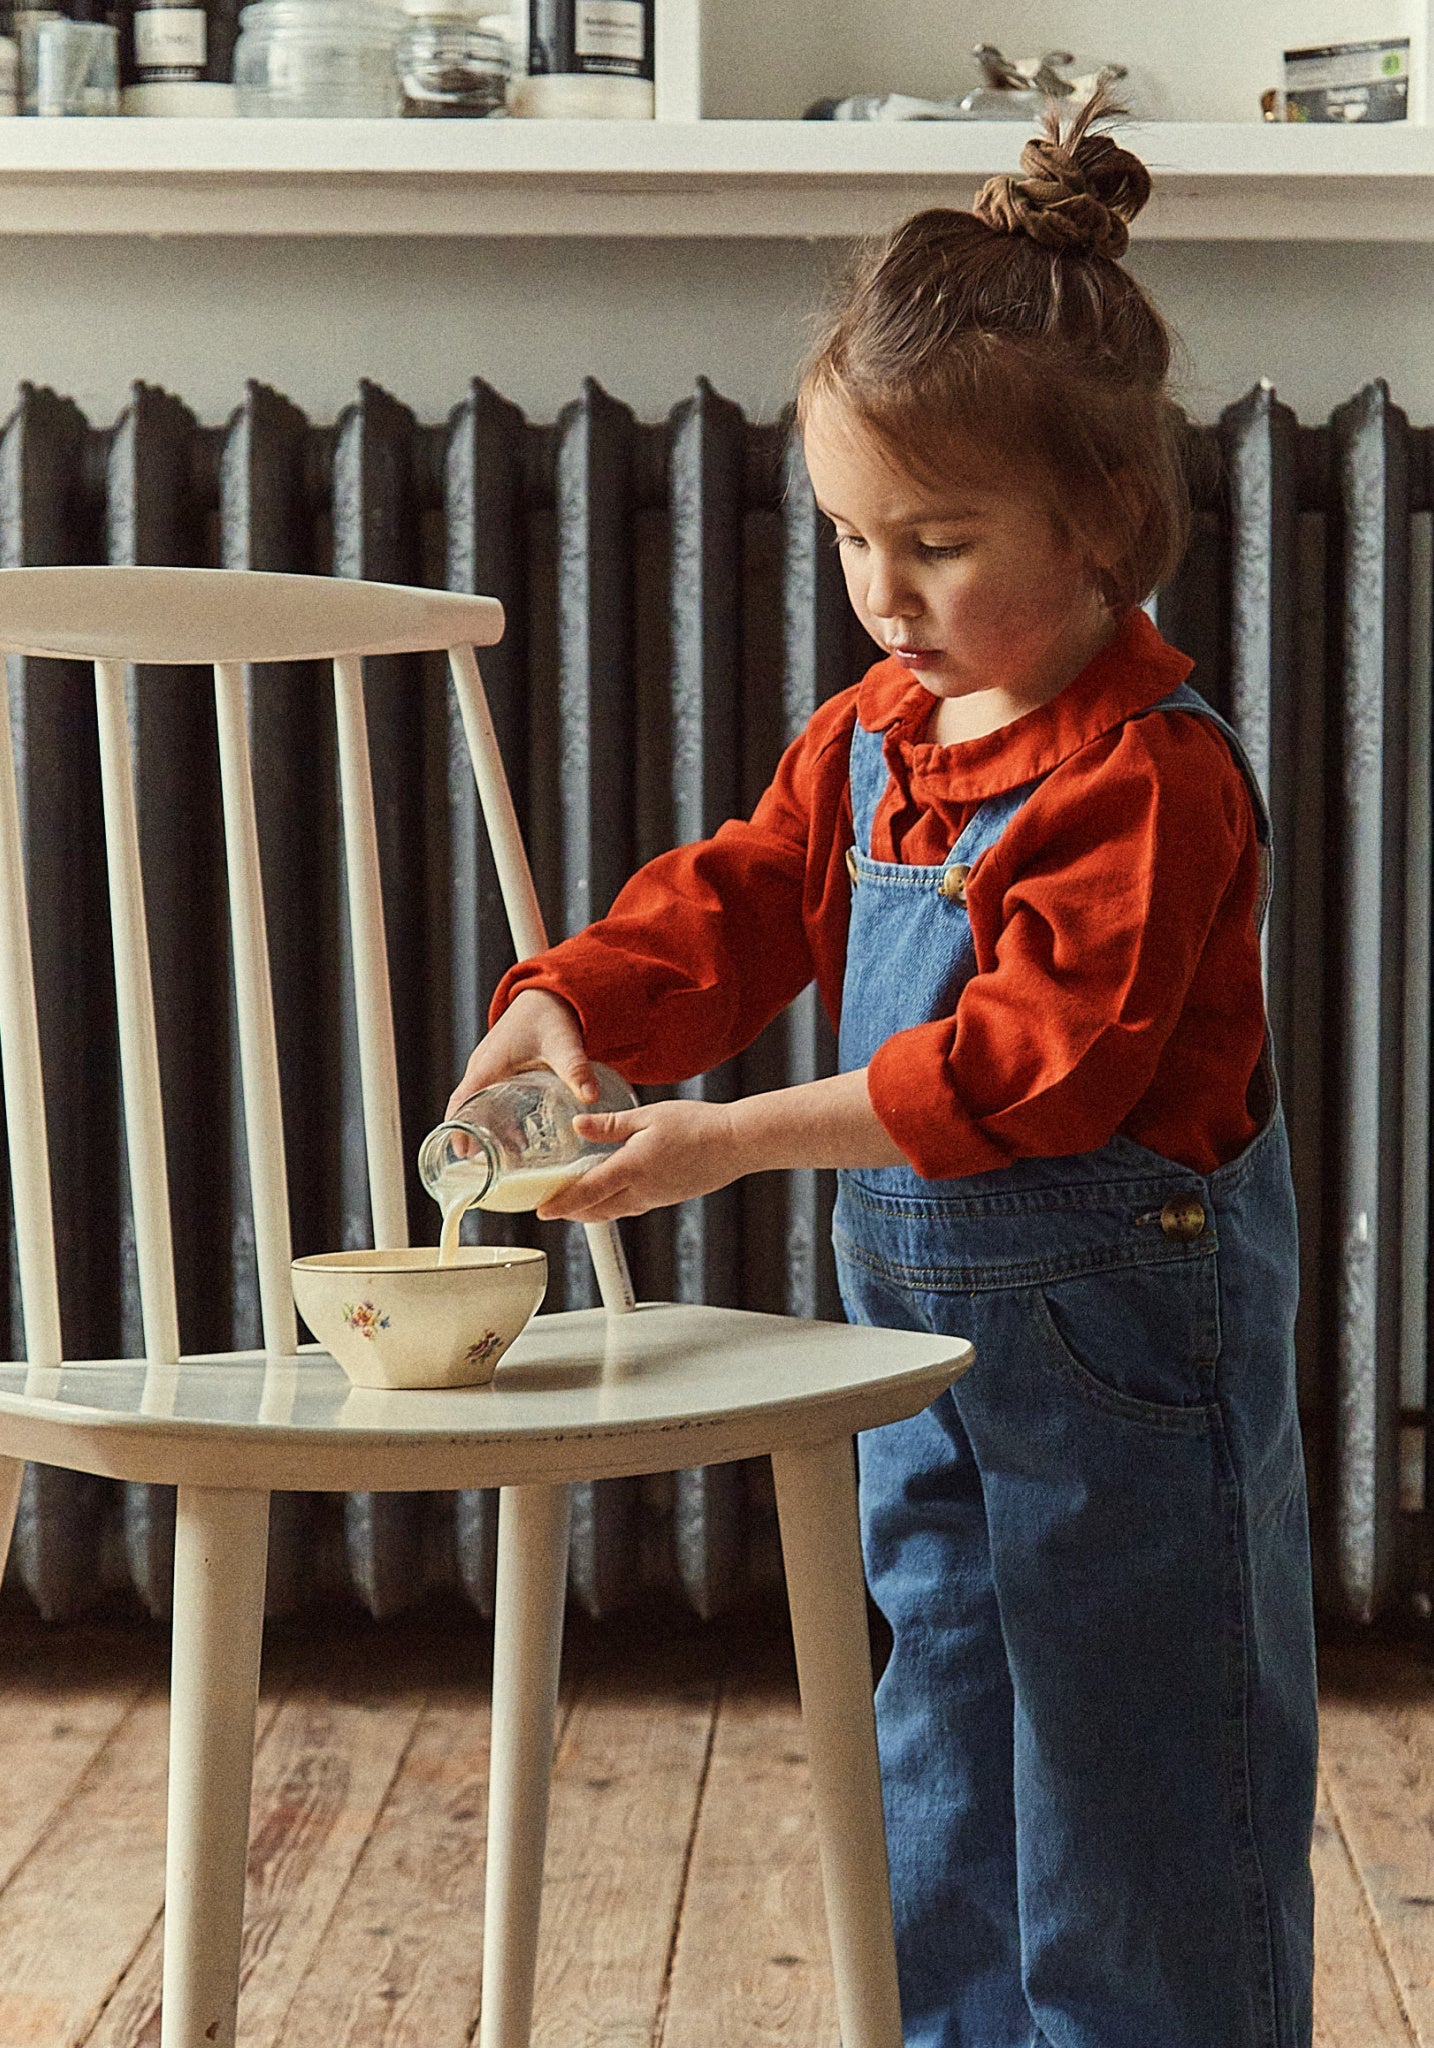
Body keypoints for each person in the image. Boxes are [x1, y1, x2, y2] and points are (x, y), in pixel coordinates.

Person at [450, 88, 1318, 2048]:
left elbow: (1034, 1069)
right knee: (943, 1709)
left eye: (937, 542)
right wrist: (571, 1007)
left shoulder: (1141, 774)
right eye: (853, 533)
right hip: (925, 1358)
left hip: (1126, 1370)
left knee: (1137, 1757)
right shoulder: (873, 735)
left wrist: (726, 1138)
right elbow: (742, 902)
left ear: (1102, 528)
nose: (882, 588)